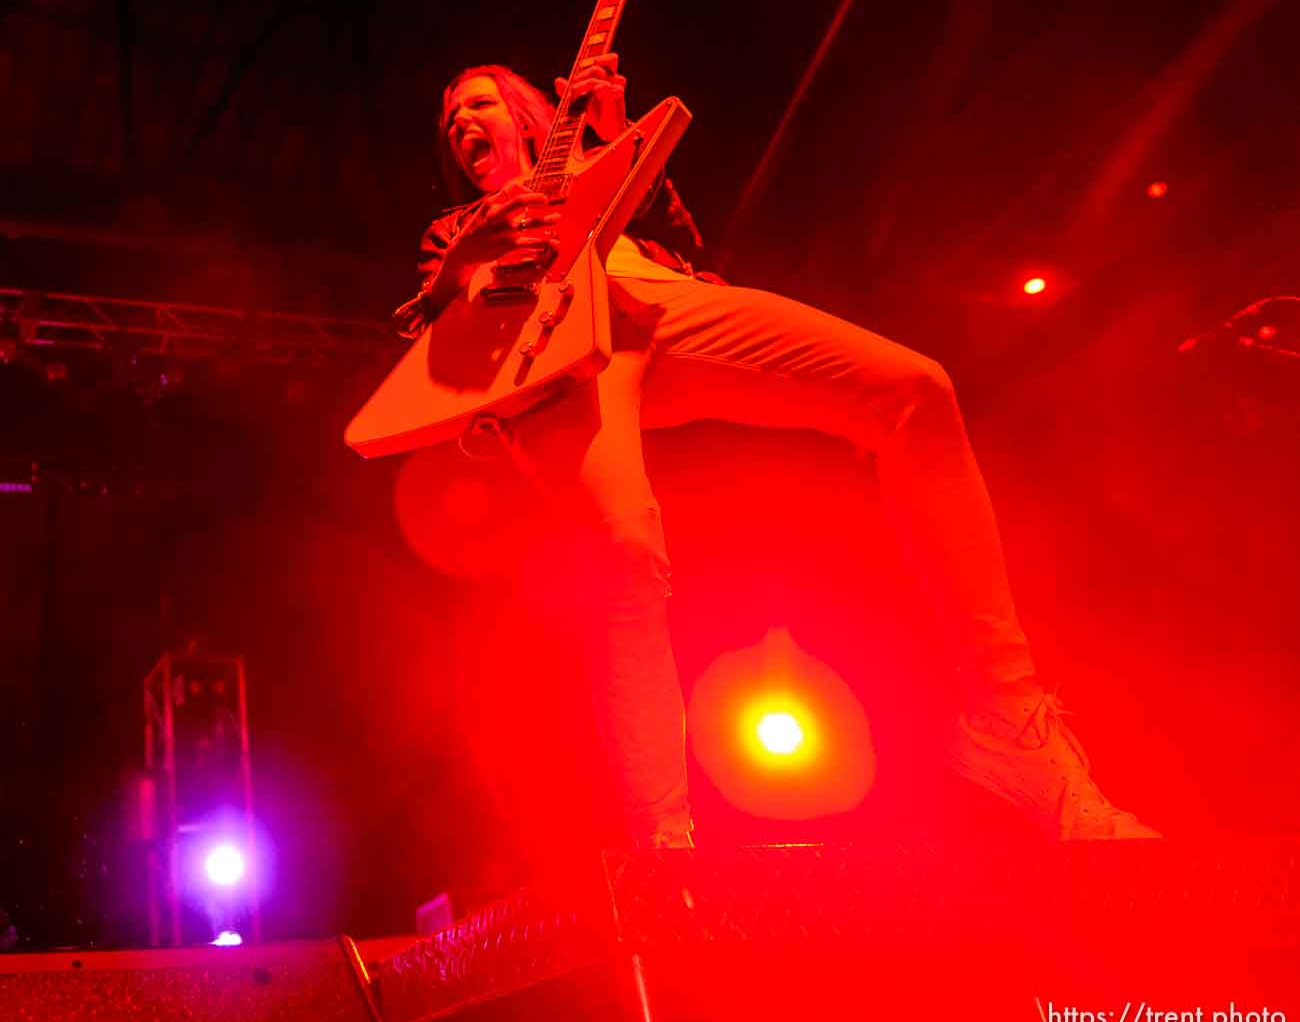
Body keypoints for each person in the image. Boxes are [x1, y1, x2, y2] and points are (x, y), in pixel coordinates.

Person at [393, 54, 1159, 848]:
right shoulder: (451, 231)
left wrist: (616, 130)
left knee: (915, 389)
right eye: (448, 119)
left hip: (655, 300)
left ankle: (1010, 719)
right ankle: (664, 835)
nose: (458, 122)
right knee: (624, 551)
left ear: (524, 112)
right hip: (552, 358)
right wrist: (462, 264)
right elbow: (428, 335)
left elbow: (679, 233)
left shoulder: (591, 161)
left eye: (476, 102)